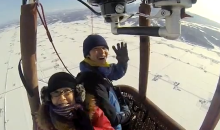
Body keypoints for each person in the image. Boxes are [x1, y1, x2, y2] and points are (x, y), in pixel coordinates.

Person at [77, 34, 131, 130]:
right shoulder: (93, 83)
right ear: (88, 54)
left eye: (104, 48)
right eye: (96, 49)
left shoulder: (97, 69)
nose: (102, 51)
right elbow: (112, 119)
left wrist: (122, 62)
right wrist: (126, 112)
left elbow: (114, 73)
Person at [35, 72, 114, 130]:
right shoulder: (45, 121)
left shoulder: (93, 111)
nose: (62, 98)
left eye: (67, 91)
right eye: (56, 93)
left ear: (77, 94)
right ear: (49, 98)